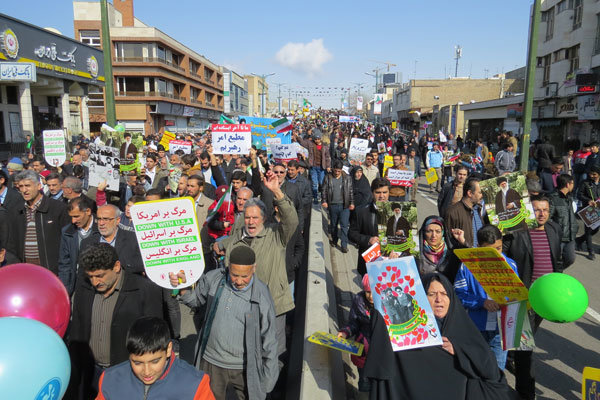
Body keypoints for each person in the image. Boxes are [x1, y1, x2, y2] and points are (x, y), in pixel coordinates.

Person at [364, 273, 517, 400]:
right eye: (431, 294)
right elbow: (382, 360)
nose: (439, 299)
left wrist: (461, 352)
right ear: (422, 299)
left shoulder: (463, 327)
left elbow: (491, 373)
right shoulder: (408, 334)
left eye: (444, 294)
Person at [171, 246, 279, 400]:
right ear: (228, 266)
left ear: (254, 269)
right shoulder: (214, 279)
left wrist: (267, 382)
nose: (239, 281)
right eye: (235, 275)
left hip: (243, 369)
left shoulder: (261, 296)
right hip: (211, 364)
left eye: (244, 276)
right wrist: (182, 287)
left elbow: (269, 342)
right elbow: (196, 300)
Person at [213, 171, 297, 363]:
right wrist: (217, 245)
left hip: (273, 305)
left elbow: (291, 220)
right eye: (247, 218)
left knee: (272, 354)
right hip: (243, 307)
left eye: (255, 218)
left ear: (264, 219)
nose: (251, 221)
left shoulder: (276, 235)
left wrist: (277, 191)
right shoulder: (237, 239)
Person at [67, 244, 163, 399]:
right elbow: (77, 330)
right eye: (90, 277)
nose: (95, 282)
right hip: (91, 372)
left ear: (117, 266)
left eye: (100, 275)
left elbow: (154, 339)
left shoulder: (144, 290)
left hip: (127, 373)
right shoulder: (84, 289)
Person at [503, 194, 562, 399]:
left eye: (545, 210)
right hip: (524, 297)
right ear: (529, 210)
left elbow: (558, 259)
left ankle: (511, 355)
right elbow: (501, 256)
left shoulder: (554, 229)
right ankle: (526, 391)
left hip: (546, 299)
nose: (542, 214)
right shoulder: (517, 232)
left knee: (527, 337)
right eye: (537, 210)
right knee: (525, 347)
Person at [96, 316, 215, 399]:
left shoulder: (195, 384)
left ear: (168, 349)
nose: (147, 372)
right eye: (137, 363)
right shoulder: (109, 379)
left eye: (155, 361)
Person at [454, 225, 519, 370]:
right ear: (478, 246)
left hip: (500, 330)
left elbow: (517, 295)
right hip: (476, 328)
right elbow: (459, 294)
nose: (496, 254)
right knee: (474, 369)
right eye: (490, 250)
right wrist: (481, 302)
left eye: (499, 248)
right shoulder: (467, 266)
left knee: (497, 371)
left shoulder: (511, 266)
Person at [5, 169, 70, 273]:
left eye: (28, 185)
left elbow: (68, 242)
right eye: (21, 186)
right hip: (25, 271)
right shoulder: (16, 211)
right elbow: (11, 244)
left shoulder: (58, 208)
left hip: (52, 271)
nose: (24, 190)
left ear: (39, 186)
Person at [337, 274, 375, 398]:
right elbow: (354, 323)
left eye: (374, 292)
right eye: (367, 292)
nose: (370, 296)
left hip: (381, 353)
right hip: (363, 351)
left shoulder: (387, 303)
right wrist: (345, 332)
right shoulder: (358, 300)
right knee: (364, 384)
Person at [80, 204, 145, 274]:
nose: (101, 223)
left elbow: (141, 268)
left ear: (117, 220)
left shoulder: (134, 239)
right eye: (99, 219)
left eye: (106, 219)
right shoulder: (87, 243)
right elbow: (82, 275)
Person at [58, 196, 100, 295]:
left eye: (77, 216)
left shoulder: (100, 228)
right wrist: (65, 289)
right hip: (77, 285)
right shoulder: (67, 232)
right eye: (71, 217)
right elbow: (64, 263)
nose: (73, 221)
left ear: (88, 211)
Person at [349, 178, 390, 276]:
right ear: (372, 193)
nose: (381, 196)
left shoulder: (400, 211)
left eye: (385, 192)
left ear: (389, 192)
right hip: (369, 263)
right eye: (378, 192)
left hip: (391, 264)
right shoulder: (361, 211)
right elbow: (351, 233)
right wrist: (368, 239)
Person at [417, 215, 464, 283]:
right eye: (429, 231)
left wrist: (462, 242)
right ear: (424, 232)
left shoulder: (452, 252)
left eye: (438, 231)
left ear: (443, 233)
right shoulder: (416, 253)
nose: (433, 235)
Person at [322, 159, 355, 253]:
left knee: (344, 226)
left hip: (344, 206)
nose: (337, 173)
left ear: (341, 170)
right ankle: (335, 240)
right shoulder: (328, 177)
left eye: (339, 171)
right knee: (333, 225)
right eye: (335, 170)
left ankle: (344, 245)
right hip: (333, 205)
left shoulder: (347, 178)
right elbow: (324, 190)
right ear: (333, 169)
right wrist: (324, 201)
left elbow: (350, 191)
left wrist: (352, 203)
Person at [445, 177, 485, 248]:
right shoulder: (452, 212)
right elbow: (448, 240)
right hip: (463, 256)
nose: (482, 195)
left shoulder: (478, 209)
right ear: (469, 193)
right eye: (480, 192)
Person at [294, 129, 331, 203]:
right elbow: (302, 143)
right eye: (315, 139)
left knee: (321, 182)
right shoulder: (310, 144)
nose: (317, 140)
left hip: (322, 167)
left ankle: (323, 196)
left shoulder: (325, 146)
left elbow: (327, 157)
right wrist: (297, 137)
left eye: (318, 139)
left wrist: (328, 166)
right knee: (314, 183)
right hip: (313, 167)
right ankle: (315, 197)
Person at [548, 174, 578, 267]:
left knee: (570, 258)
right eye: (572, 183)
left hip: (570, 235)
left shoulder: (569, 197)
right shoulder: (553, 198)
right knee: (555, 260)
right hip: (559, 236)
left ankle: (558, 272)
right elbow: (548, 218)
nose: (573, 186)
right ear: (568, 184)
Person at [576, 165, 600, 260]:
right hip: (588, 210)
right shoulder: (585, 183)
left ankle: (579, 240)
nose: (592, 176)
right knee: (589, 231)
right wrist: (588, 200)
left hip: (598, 209)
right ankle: (591, 252)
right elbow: (579, 195)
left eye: (594, 174)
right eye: (590, 174)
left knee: (596, 229)